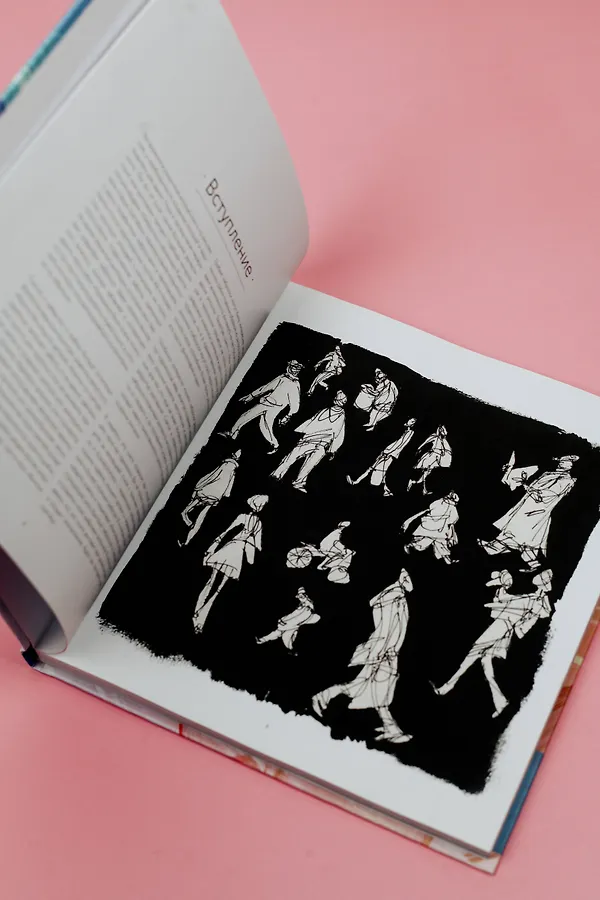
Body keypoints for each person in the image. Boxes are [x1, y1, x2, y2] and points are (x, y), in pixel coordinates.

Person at [432, 569, 553, 717]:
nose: (538, 578)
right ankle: (500, 702)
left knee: (473, 653)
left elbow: (533, 612)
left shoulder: (537, 601)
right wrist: (501, 586)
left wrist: (504, 590)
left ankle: (448, 686)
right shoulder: (530, 597)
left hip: (503, 626)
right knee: (486, 664)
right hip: (504, 626)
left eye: (541, 578)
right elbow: (505, 599)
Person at [312, 570, 414, 744]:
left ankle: (324, 696)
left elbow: (398, 630)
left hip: (389, 652)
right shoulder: (391, 598)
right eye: (408, 577)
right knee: (377, 689)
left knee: (373, 689)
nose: (411, 582)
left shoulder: (398, 597)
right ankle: (390, 728)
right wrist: (380, 653)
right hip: (383, 652)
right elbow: (385, 630)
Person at [479, 455, 578, 571]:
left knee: (518, 532)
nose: (561, 463)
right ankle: (530, 562)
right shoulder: (549, 473)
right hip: (528, 505)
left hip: (537, 510)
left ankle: (495, 548)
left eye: (565, 461)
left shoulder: (566, 480)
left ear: (570, 465)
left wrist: (528, 487)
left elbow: (548, 494)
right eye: (561, 461)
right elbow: (536, 487)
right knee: (522, 535)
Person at [193, 494, 268, 633]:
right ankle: (199, 616)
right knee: (216, 586)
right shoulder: (255, 522)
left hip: (232, 550)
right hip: (235, 553)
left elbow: (227, 531)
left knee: (213, 583)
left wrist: (216, 543)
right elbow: (257, 545)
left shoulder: (248, 519)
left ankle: (198, 614)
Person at [271, 390, 347, 493]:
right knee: (294, 457)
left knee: (309, 464)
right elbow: (312, 422)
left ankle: (297, 482)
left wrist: (333, 450)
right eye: (340, 400)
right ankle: (278, 474)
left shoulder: (340, 416)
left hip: (321, 443)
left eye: (342, 401)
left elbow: (338, 434)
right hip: (310, 439)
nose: (339, 402)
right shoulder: (325, 411)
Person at [220, 360, 303, 452]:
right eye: (293, 367)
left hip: (275, 408)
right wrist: (250, 396)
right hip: (266, 402)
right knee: (247, 416)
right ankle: (232, 434)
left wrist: (288, 416)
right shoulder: (282, 377)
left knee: (265, 426)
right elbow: (266, 388)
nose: (294, 369)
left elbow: (295, 403)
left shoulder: (294, 384)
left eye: (297, 368)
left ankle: (275, 445)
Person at [179, 450, 241, 546]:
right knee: (200, 520)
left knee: (188, 509)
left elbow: (212, 476)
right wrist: (221, 495)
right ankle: (187, 541)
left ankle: (187, 519)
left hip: (206, 491)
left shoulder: (224, 465)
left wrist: (198, 485)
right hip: (215, 497)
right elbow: (228, 492)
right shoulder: (233, 472)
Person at [347, 419, 416, 496]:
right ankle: (385, 490)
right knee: (376, 470)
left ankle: (357, 482)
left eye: (412, 421)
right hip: (387, 452)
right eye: (410, 420)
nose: (408, 421)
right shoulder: (405, 431)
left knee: (376, 470)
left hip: (389, 454)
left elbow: (400, 444)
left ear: (413, 424)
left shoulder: (410, 432)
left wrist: (388, 452)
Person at [402, 492, 459, 564]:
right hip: (433, 527)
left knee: (439, 543)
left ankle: (447, 559)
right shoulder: (451, 507)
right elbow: (453, 519)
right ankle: (410, 545)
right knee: (429, 541)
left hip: (434, 527)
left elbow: (431, 508)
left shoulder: (439, 502)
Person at [407, 425, 451, 494]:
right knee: (426, 471)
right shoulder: (434, 436)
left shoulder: (443, 440)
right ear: (440, 430)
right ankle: (422, 488)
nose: (444, 432)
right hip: (432, 456)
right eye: (442, 430)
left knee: (427, 473)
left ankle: (415, 483)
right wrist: (419, 449)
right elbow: (425, 442)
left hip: (438, 457)